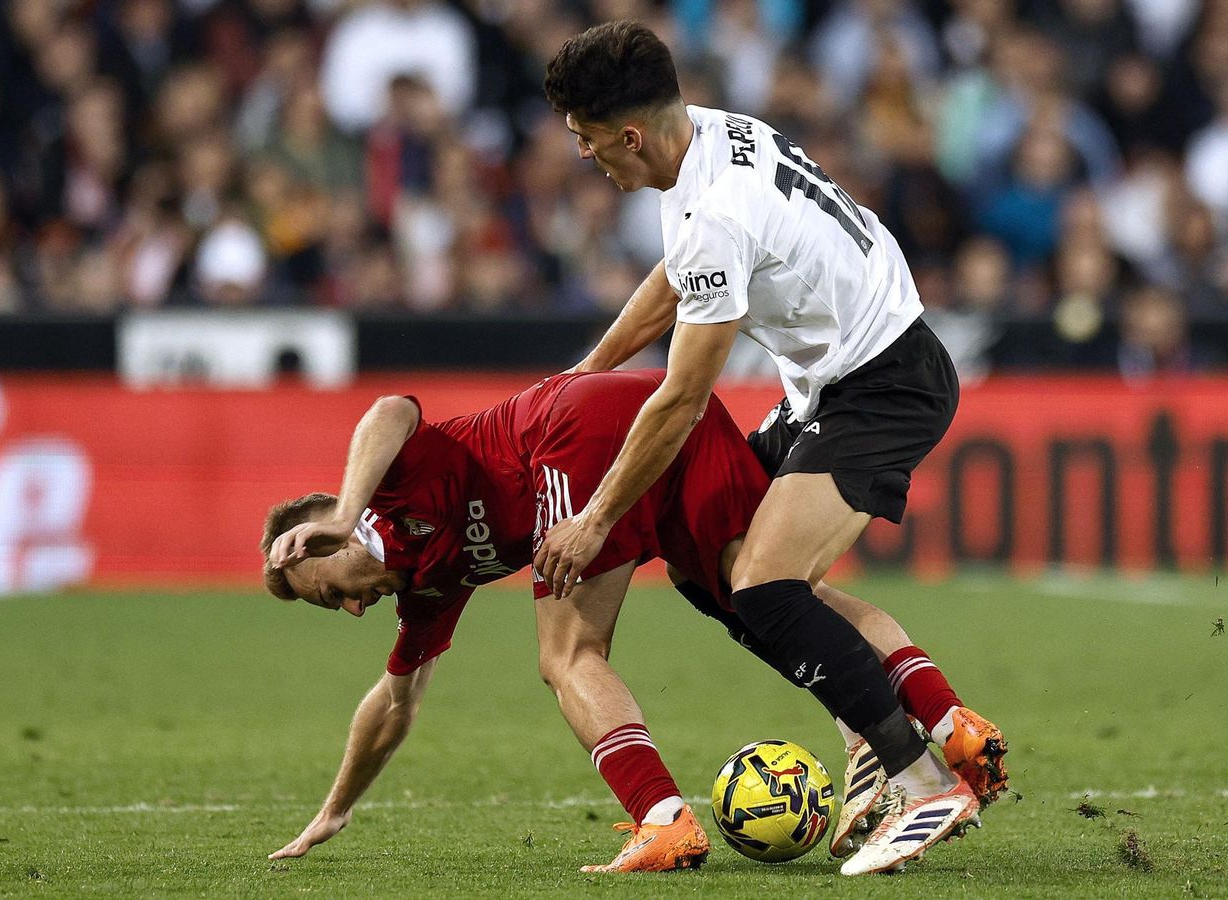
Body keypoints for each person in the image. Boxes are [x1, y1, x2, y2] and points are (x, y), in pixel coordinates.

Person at [535, 21, 1006, 875]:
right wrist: (588, 372)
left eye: (586, 138)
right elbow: (676, 277)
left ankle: (922, 776)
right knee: (706, 562)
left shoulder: (718, 210)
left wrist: (596, 517)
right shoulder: (706, 136)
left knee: (763, 583)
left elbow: (681, 400)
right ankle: (919, 722)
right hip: (838, 379)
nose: (584, 155)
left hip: (884, 385)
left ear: (629, 135)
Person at [262, 370, 1001, 872]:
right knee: (765, 591)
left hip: (576, 434)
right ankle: (948, 724)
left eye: (333, 593)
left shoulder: (387, 494)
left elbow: (391, 408)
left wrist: (348, 513)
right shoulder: (425, 584)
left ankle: (662, 818)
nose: (356, 608)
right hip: (668, 410)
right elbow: (394, 703)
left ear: (327, 527)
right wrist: (335, 810)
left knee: (568, 652)